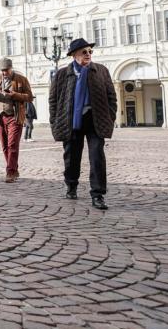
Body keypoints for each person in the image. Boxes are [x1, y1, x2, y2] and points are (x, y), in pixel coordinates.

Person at [49, 38, 118, 210]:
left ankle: (98, 194)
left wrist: (110, 117)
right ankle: (71, 185)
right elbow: (53, 100)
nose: (88, 54)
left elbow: (111, 97)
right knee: (71, 157)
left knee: (97, 157)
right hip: (71, 119)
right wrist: (55, 121)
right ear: (74, 55)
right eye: (84, 52)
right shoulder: (62, 74)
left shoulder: (101, 70)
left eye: (90, 52)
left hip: (96, 119)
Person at [0, 57, 33, 183]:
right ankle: (13, 168)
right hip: (0, 117)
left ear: (11, 68)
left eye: (6, 70)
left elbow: (29, 97)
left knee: (12, 145)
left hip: (15, 117)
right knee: (5, 146)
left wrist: (14, 95)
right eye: (2, 70)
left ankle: (10, 172)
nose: (4, 72)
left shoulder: (21, 79)